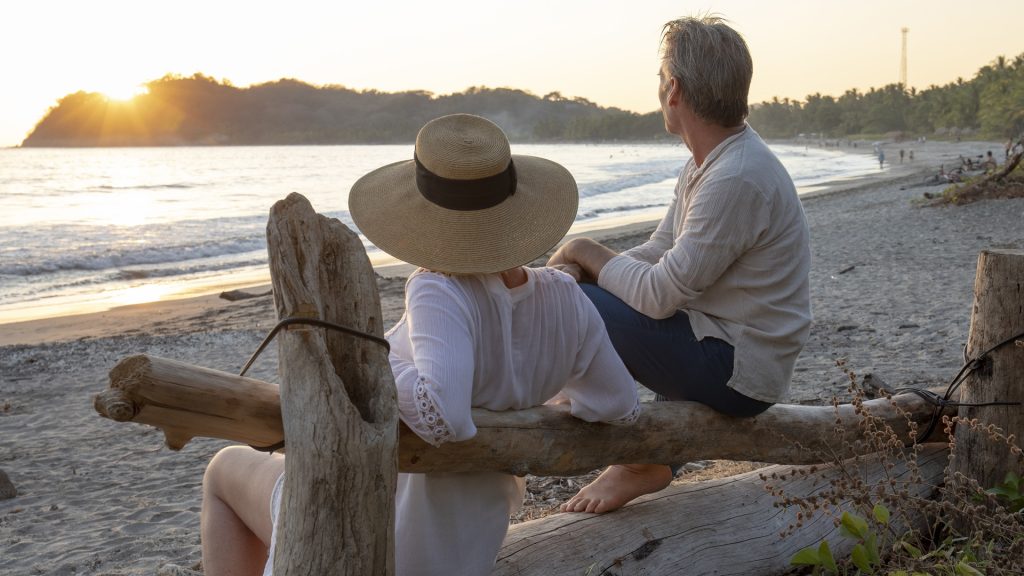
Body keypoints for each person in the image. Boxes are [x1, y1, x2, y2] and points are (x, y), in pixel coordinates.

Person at [200, 114, 641, 576]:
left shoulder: (438, 288)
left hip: (386, 534)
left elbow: (444, 414)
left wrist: (378, 363)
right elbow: (618, 402)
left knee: (222, 469)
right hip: (465, 542)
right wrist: (544, 392)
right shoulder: (564, 295)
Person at [548, 15, 811, 514]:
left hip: (737, 370)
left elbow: (658, 293)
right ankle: (645, 453)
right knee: (572, 291)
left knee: (569, 299)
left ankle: (596, 424)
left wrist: (583, 253)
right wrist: (587, 266)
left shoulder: (735, 176)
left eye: (659, 78)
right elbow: (657, 252)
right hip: (721, 342)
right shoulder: (708, 163)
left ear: (674, 90)